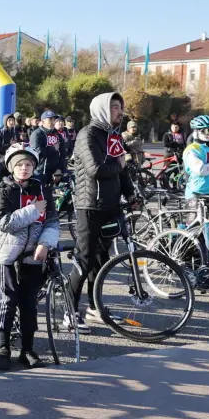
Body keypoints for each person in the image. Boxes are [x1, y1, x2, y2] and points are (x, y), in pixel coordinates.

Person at [68, 92, 134, 332]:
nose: (120, 111)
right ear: (103, 109)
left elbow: (122, 171)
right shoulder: (88, 134)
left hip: (110, 206)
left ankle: (95, 308)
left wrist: (132, 195)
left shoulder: (114, 136)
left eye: (120, 107)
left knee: (101, 261)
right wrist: (119, 165)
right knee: (84, 260)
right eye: (115, 107)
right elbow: (95, 169)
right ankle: (70, 311)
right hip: (90, 206)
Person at [0, 144, 58, 370]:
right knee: (8, 299)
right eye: (19, 165)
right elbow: (4, 223)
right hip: (8, 254)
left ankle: (27, 348)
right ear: (11, 167)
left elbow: (51, 220)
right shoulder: (2, 190)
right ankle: (3, 346)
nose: (24, 169)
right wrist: (33, 210)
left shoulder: (42, 189)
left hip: (33, 255)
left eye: (29, 164)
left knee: (29, 302)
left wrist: (45, 243)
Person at [183, 115, 209, 205]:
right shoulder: (192, 149)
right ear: (196, 132)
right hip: (196, 193)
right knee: (195, 219)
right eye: (206, 131)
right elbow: (200, 170)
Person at [30, 110, 65, 188]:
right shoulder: (37, 134)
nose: (53, 122)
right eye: (50, 119)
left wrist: (59, 169)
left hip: (54, 172)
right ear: (43, 121)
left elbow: (63, 153)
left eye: (54, 119)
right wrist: (52, 148)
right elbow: (37, 152)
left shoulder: (58, 135)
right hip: (40, 172)